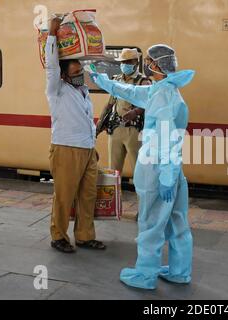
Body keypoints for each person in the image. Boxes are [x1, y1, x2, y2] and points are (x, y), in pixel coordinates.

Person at [90, 44, 194, 290]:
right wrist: (104, 81)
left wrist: (166, 174)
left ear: (156, 65)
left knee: (150, 222)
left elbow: (166, 135)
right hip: (172, 167)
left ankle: (145, 275)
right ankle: (180, 271)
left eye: (148, 60)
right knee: (177, 221)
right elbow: (131, 92)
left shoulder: (162, 96)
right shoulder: (165, 89)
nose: (145, 64)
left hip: (157, 167)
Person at [45, 17, 106, 253]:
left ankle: (84, 236)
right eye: (75, 65)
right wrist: (52, 32)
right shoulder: (56, 90)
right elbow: (51, 66)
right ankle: (58, 236)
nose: (80, 68)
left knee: (88, 195)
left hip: (87, 150)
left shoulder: (82, 90)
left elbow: (85, 121)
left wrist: (91, 145)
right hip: (66, 148)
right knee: (64, 196)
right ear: (63, 73)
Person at [96, 48, 151, 174]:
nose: (125, 64)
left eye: (128, 62)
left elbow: (149, 103)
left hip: (134, 130)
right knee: (113, 171)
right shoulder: (116, 80)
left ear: (136, 63)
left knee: (139, 170)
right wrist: (100, 122)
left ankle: (141, 194)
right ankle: (115, 194)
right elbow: (110, 103)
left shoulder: (143, 81)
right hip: (115, 129)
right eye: (123, 61)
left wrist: (136, 112)